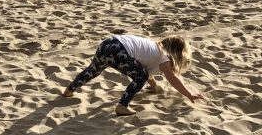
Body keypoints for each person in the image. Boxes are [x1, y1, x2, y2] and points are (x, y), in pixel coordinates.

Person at [61, 34, 202, 116]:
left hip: (108, 43)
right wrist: (189, 94)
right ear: (176, 53)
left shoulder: (153, 49)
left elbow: (146, 70)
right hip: (120, 50)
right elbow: (173, 79)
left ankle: (69, 90)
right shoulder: (164, 57)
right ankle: (122, 106)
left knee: (92, 71)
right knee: (140, 76)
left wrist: (154, 85)